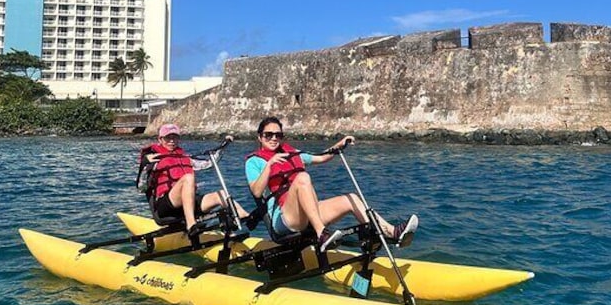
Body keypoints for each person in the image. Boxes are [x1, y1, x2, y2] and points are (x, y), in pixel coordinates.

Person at [245, 116, 418, 252]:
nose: (274, 138)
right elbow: (257, 192)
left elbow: (321, 157)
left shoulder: (292, 152)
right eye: (269, 135)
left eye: (278, 135)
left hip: (308, 213)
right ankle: (322, 234)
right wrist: (270, 165)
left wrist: (339, 145)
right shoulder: (254, 161)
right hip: (285, 219)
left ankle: (390, 232)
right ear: (260, 137)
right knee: (303, 178)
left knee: (350, 198)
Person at [142, 123, 248, 233]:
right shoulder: (153, 158)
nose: (172, 140)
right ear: (160, 139)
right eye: (168, 138)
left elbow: (209, 163)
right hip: (167, 206)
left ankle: (245, 216)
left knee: (221, 194)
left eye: (175, 137)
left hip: (188, 203)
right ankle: (191, 225)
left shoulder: (185, 157)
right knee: (188, 177)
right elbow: (141, 185)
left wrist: (223, 147)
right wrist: (144, 164)